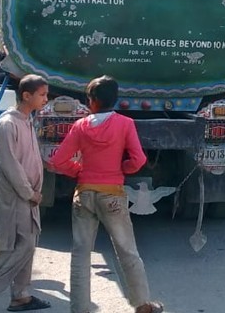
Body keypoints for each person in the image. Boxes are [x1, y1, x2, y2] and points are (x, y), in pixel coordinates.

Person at [48, 76, 163, 313]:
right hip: (112, 195)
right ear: (115, 99)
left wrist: (79, 170)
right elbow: (139, 159)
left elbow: (58, 160)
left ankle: (79, 308)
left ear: (93, 101)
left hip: (84, 194)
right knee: (127, 250)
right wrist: (123, 169)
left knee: (81, 254)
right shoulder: (125, 124)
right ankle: (142, 305)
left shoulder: (80, 126)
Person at [0, 75, 51, 313]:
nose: (46, 99)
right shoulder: (8, 123)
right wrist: (29, 193)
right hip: (19, 196)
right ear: (26, 95)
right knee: (18, 248)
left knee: (27, 245)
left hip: (30, 196)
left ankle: (20, 296)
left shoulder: (27, 120)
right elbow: (11, 165)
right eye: (42, 95)